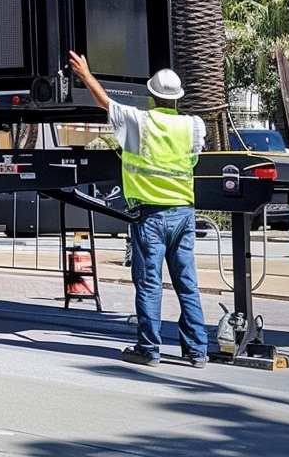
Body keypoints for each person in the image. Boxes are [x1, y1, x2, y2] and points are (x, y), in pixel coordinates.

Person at [68, 51, 209, 368]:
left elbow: (105, 102)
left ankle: (149, 348)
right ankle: (197, 351)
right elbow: (195, 155)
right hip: (184, 214)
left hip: (151, 217)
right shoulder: (193, 127)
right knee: (187, 284)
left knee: (149, 284)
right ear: (177, 98)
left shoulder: (140, 121)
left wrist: (85, 73)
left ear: (152, 95)